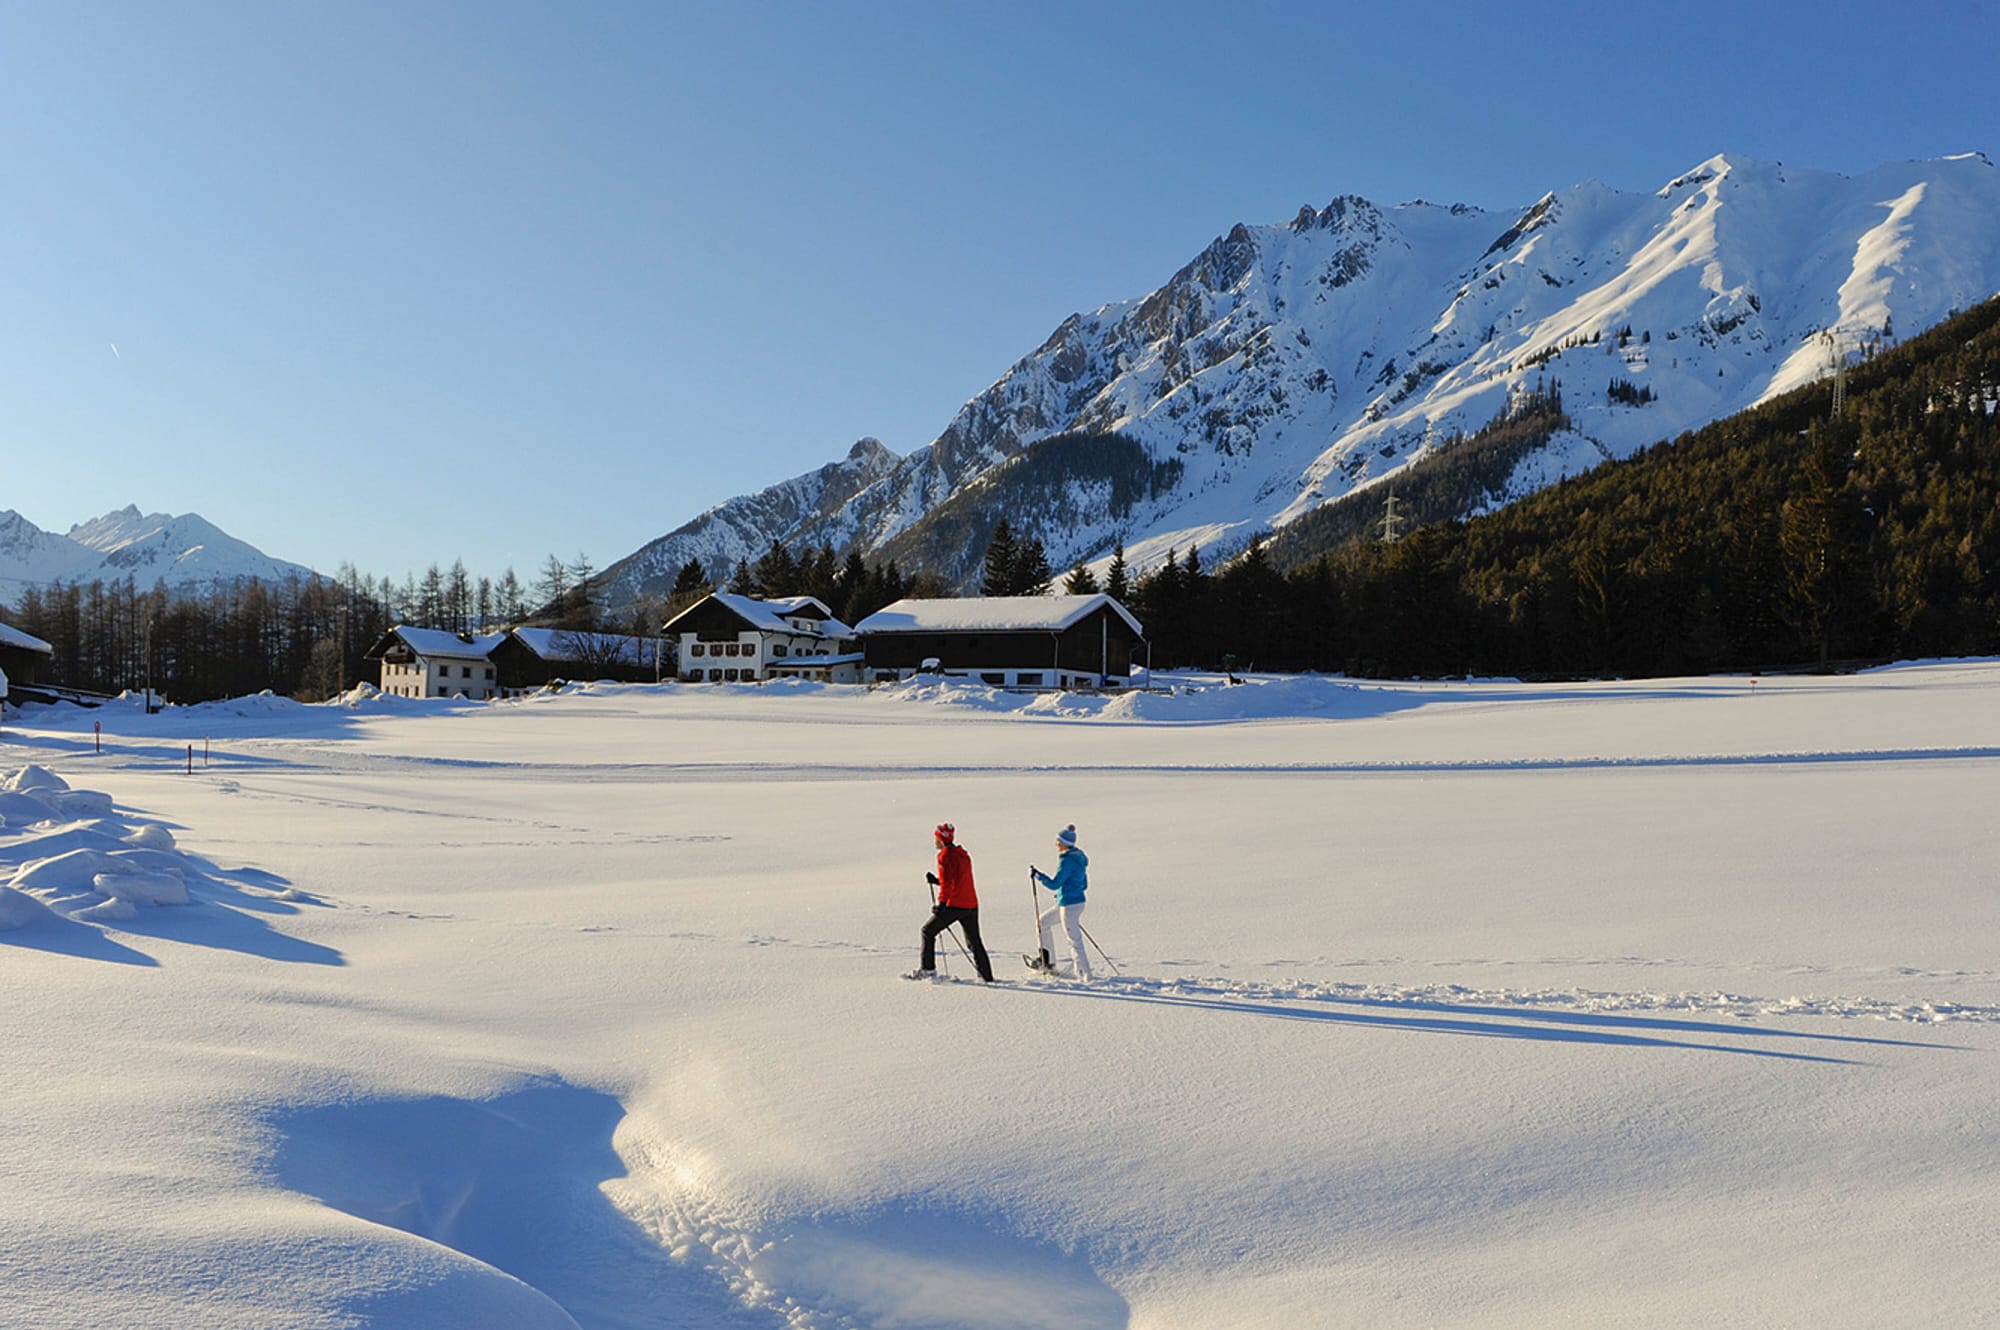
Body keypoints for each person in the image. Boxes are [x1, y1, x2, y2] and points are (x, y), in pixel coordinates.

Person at [912, 822, 994, 982]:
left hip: (955, 904)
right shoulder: (962, 854)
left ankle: (928, 970)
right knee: (975, 942)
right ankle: (986, 976)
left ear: (941, 839)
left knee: (927, 931)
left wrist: (942, 905)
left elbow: (949, 884)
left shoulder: (945, 856)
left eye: (936, 838)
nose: (934, 841)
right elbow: (956, 880)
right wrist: (937, 881)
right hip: (971, 904)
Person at [1029, 823, 1092, 981]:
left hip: (1069, 906)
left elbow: (1054, 883)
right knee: (1042, 922)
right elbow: (1083, 883)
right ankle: (1047, 961)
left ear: (1065, 843)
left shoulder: (1067, 861)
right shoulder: (1078, 858)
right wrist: (1063, 894)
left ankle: (1084, 975)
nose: (1056, 844)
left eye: (1058, 841)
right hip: (1073, 902)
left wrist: (1038, 876)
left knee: (1074, 940)